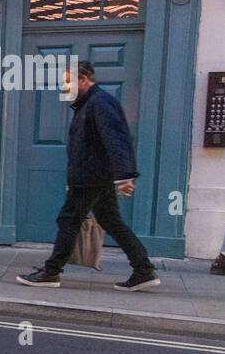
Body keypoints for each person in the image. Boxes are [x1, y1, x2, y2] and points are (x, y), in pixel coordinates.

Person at [18, 62, 159, 291]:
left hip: (91, 176)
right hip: (93, 176)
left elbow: (116, 139)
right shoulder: (88, 104)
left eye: (68, 82)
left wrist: (125, 176)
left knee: (68, 220)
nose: (64, 87)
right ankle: (143, 269)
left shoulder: (100, 103)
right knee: (111, 221)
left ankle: (51, 272)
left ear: (83, 79)